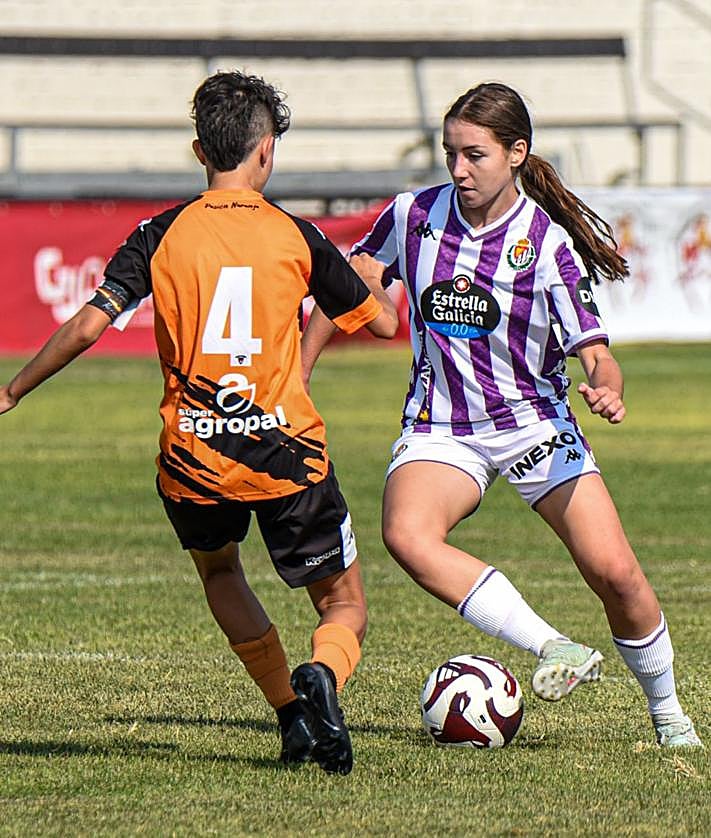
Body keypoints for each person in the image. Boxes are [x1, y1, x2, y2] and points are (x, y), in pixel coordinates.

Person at [0, 70, 398, 774]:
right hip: (284, 455)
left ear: (197, 150)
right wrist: (366, 282)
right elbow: (380, 323)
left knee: (220, 572)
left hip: (192, 458)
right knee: (343, 603)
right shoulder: (297, 236)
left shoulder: (159, 233)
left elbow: (90, 325)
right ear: (266, 151)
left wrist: (14, 389)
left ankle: (287, 714)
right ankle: (322, 679)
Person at [310, 81, 701, 748]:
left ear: (516, 153)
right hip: (441, 426)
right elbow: (346, 286)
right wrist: (297, 373)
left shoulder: (545, 244)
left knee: (615, 574)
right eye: (449, 155)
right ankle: (555, 648)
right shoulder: (413, 215)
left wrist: (605, 386)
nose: (458, 170)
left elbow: (596, 354)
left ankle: (669, 715)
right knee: (407, 536)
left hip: (532, 425)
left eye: (474, 156)